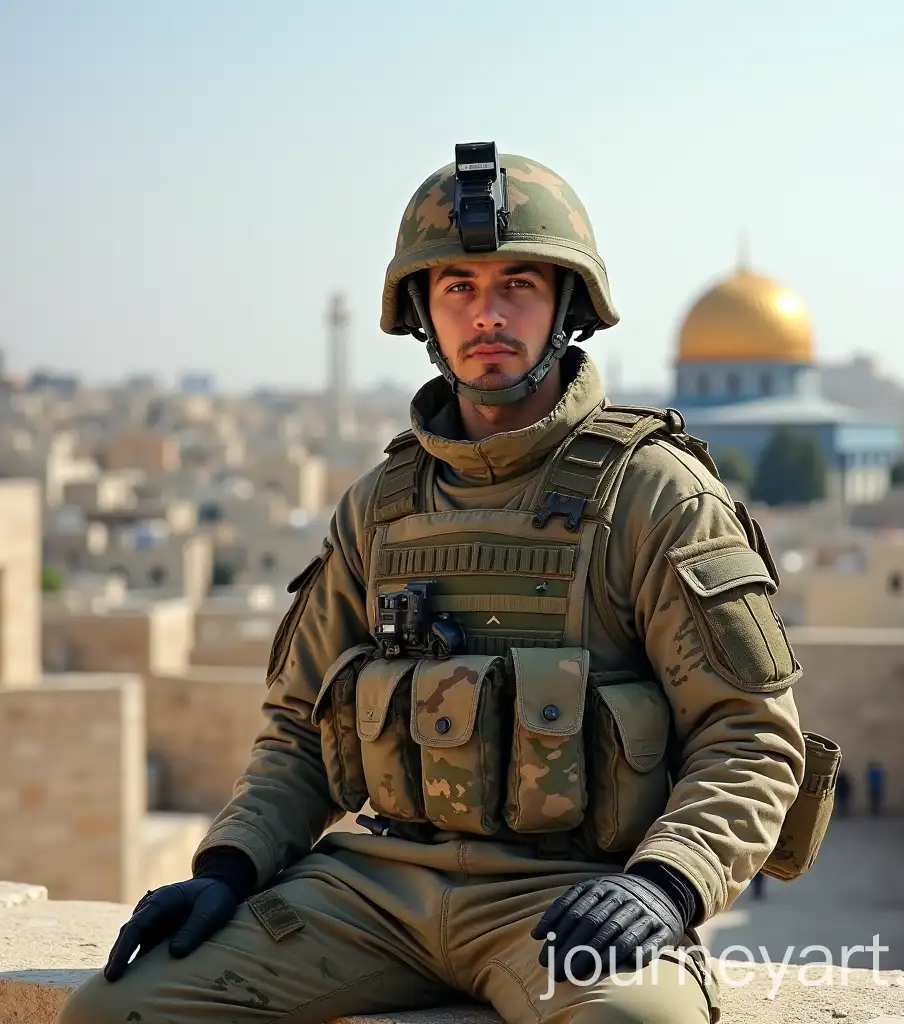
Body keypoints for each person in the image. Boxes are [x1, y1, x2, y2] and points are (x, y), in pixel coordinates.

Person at [60, 145, 807, 1024]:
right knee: (115, 1012)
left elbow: (750, 738)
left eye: (517, 284)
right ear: (422, 311)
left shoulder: (652, 496)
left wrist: (666, 883)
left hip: (567, 896)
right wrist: (231, 865)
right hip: (378, 893)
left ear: (568, 305)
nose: (486, 314)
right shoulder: (380, 508)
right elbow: (299, 729)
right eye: (457, 287)